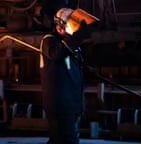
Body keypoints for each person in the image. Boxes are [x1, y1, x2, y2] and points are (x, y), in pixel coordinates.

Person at [39, 7, 90, 144]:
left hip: (71, 103)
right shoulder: (49, 41)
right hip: (60, 104)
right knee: (66, 140)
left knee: (60, 140)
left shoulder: (71, 45)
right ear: (60, 27)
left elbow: (69, 64)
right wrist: (77, 37)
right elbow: (58, 55)